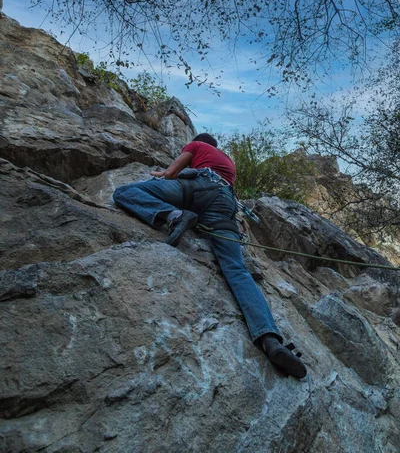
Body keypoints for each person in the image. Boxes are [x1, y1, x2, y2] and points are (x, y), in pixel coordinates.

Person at [113, 133, 307, 379]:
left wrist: (163, 175)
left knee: (124, 192)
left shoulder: (196, 145)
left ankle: (172, 216)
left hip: (198, 186)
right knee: (237, 270)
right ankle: (270, 339)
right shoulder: (228, 163)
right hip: (225, 203)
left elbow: (173, 172)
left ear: (199, 142)